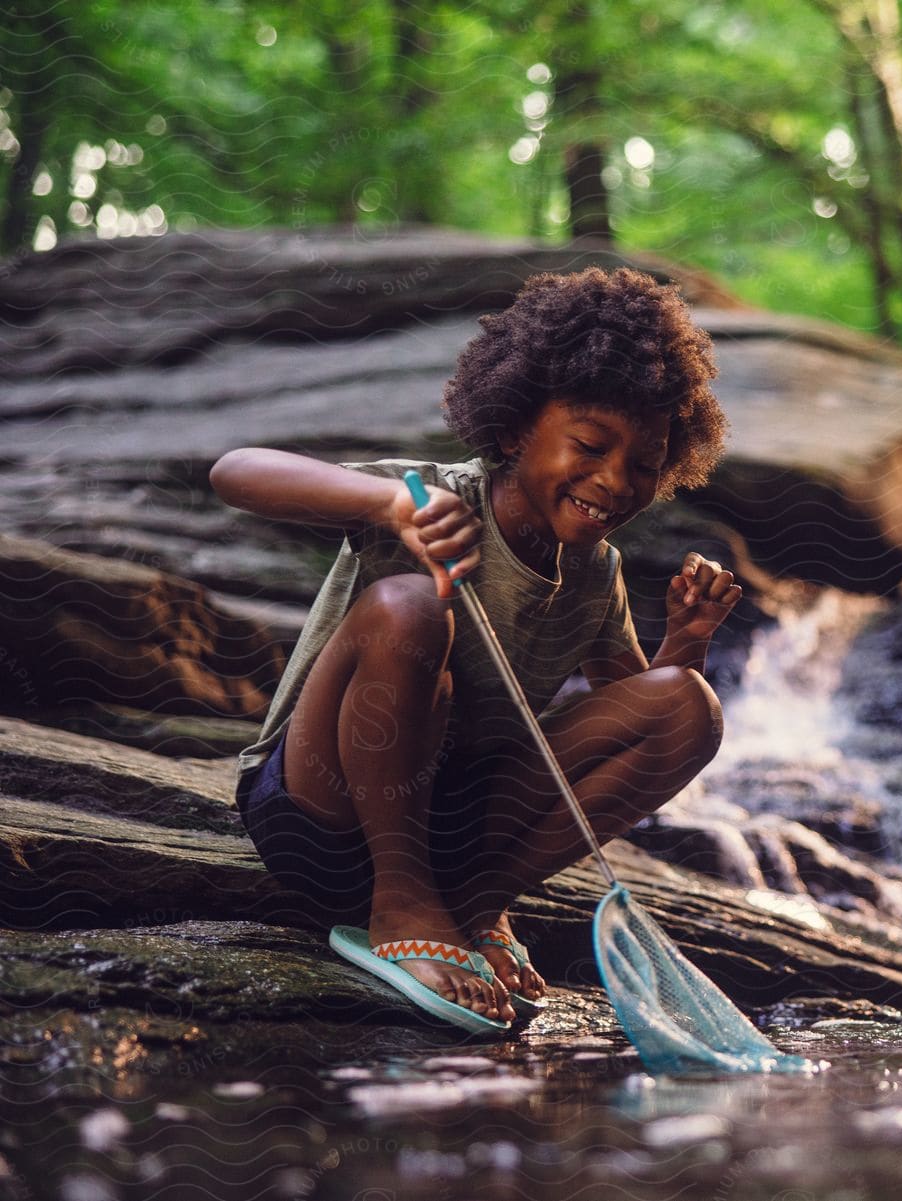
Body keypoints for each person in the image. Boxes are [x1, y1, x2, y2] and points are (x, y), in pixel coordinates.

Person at [212, 266, 737, 1034]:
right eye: (590, 444)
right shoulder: (435, 496)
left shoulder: (598, 574)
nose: (616, 480)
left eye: (646, 464)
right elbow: (235, 472)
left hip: (457, 833)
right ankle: (401, 903)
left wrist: (685, 643)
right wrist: (389, 506)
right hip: (320, 818)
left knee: (689, 706)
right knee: (409, 606)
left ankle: (474, 902)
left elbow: (635, 713)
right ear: (518, 423)